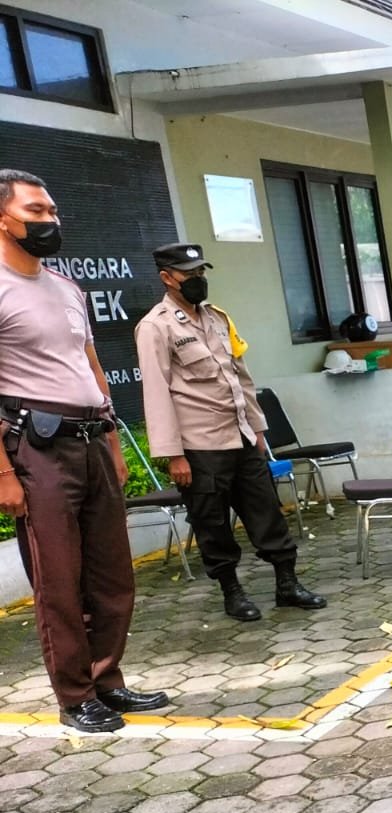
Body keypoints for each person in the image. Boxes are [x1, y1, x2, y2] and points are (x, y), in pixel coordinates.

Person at [0, 168, 169, 734]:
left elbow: (91, 366)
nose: (50, 220)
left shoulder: (66, 287)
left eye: (52, 210)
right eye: (35, 212)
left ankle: (107, 680)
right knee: (59, 580)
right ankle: (75, 697)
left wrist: (114, 441)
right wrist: (4, 473)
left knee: (111, 574)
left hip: (92, 437)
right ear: (3, 219)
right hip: (37, 449)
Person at [136, 243, 325, 621]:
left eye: (201, 272)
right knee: (212, 523)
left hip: (241, 436)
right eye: (189, 274)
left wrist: (258, 429)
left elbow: (241, 377)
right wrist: (173, 455)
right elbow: (156, 393)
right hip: (200, 446)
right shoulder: (156, 327)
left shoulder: (218, 317)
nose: (197, 279)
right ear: (167, 277)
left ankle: (287, 585)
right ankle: (232, 592)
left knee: (267, 511)